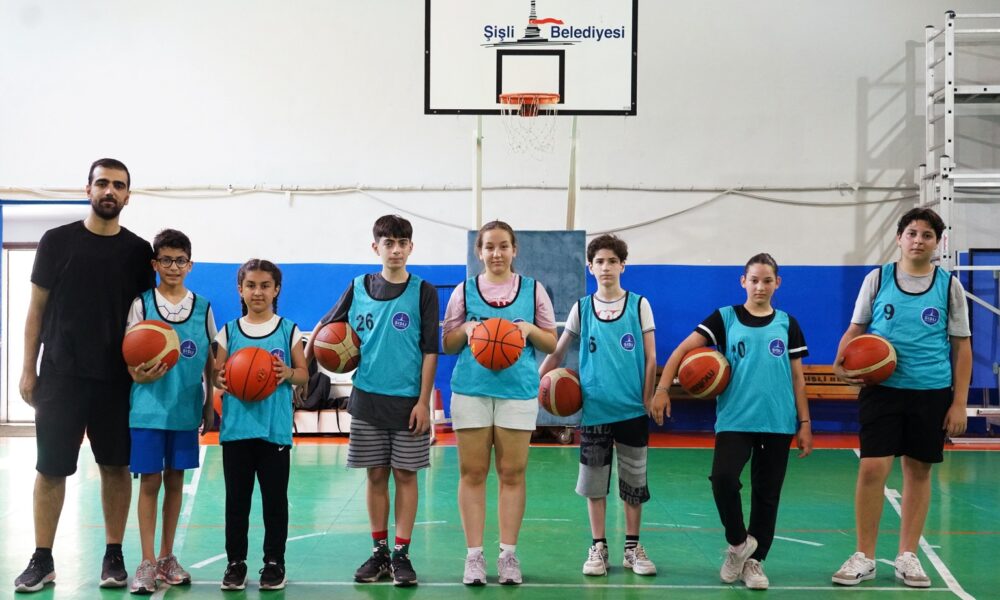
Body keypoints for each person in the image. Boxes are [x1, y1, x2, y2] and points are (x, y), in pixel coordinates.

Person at [15, 158, 155, 593]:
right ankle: (42, 559)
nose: (110, 191)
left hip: (116, 379)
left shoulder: (138, 252)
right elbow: (36, 310)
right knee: (50, 468)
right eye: (102, 183)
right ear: (88, 189)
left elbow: (147, 320)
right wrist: (27, 368)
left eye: (119, 185)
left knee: (115, 467)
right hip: (61, 375)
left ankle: (114, 555)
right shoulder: (56, 242)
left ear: (128, 195)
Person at [652, 253, 812, 590]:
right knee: (723, 479)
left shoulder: (788, 323)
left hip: (778, 420)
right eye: (754, 280)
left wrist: (805, 423)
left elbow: (798, 378)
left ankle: (755, 563)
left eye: (767, 280)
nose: (760, 286)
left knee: (767, 494)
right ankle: (739, 544)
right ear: (743, 281)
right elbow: (681, 351)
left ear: (777, 283)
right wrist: (663, 389)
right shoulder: (725, 317)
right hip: (735, 419)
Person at [831, 208, 971, 589]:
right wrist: (841, 361)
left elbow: (962, 348)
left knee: (918, 470)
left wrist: (959, 403)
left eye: (927, 235)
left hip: (931, 391)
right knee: (872, 468)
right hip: (882, 391)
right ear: (899, 238)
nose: (918, 241)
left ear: (938, 242)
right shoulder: (877, 279)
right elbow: (856, 329)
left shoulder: (949, 286)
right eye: (911, 233)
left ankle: (907, 555)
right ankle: (864, 556)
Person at [305, 215, 439, 587]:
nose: (395, 250)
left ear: (411, 247)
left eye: (402, 243)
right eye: (388, 243)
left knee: (406, 476)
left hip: (408, 403)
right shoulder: (358, 287)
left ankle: (401, 554)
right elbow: (324, 327)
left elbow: (430, 350)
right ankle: (379, 552)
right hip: (366, 401)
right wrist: (306, 366)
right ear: (375, 247)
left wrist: (424, 402)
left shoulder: (424, 292)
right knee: (376, 475)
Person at [442, 220, 558, 586]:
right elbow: (447, 344)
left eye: (503, 246)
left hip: (517, 391)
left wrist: (528, 330)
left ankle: (508, 555)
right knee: (472, 473)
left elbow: (551, 343)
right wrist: (467, 330)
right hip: (471, 390)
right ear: (479, 252)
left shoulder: (534, 290)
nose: (496, 253)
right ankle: (474, 557)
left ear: (514, 249)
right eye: (489, 246)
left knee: (512, 474)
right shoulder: (464, 291)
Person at [538, 234, 658, 577]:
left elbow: (651, 358)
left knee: (634, 486)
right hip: (595, 412)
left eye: (612, 261)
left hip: (632, 411)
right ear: (590, 267)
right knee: (594, 485)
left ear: (623, 266)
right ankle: (599, 547)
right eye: (600, 262)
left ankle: (632, 548)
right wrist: (535, 380)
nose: (606, 267)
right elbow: (558, 351)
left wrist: (648, 398)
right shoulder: (582, 308)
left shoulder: (639, 305)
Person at [124, 229, 217, 594]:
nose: (173, 267)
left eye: (180, 260)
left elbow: (210, 360)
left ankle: (166, 557)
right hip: (148, 409)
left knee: (176, 480)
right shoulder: (142, 304)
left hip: (184, 408)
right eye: (166, 260)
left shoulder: (203, 307)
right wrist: (135, 373)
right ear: (155, 263)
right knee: (150, 482)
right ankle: (147, 561)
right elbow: (128, 353)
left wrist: (209, 405)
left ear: (190, 265)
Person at [213, 259, 307, 592]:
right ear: (240, 289)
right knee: (236, 502)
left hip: (274, 431)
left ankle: (274, 562)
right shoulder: (229, 331)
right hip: (237, 431)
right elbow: (217, 375)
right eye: (251, 285)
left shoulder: (288, 329)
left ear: (276, 290)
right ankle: (235, 563)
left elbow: (303, 374)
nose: (258, 292)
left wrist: (287, 373)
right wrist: (222, 379)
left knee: (274, 502)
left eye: (265, 285)